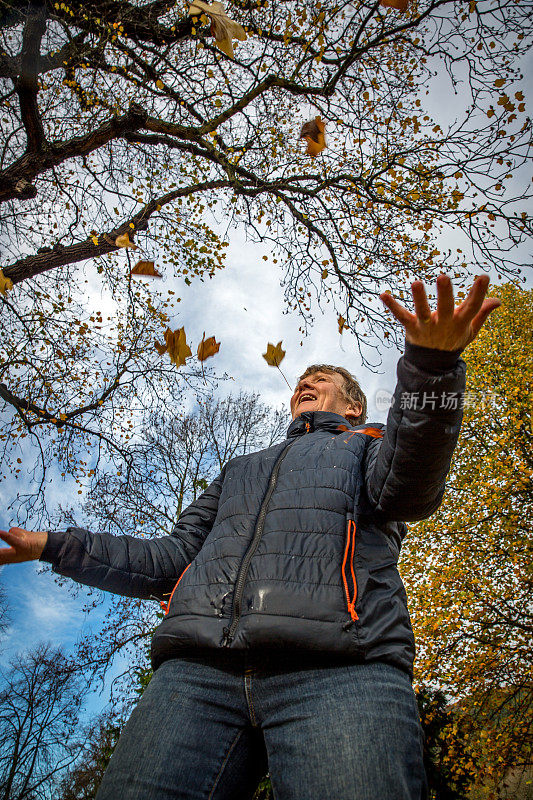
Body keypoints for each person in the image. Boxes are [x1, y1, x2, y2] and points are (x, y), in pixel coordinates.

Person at [0, 275, 500, 800]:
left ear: (353, 406)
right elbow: (172, 557)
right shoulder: (240, 469)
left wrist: (433, 366)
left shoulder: (368, 447)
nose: (305, 383)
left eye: (322, 377)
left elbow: (412, 484)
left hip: (340, 667)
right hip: (197, 674)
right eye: (300, 381)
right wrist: (58, 547)